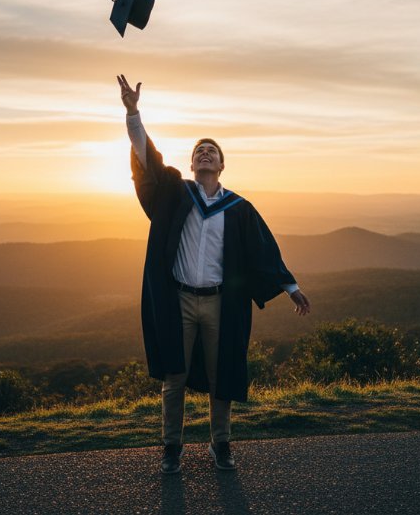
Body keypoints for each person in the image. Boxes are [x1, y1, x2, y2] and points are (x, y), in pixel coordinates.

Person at [117, 74, 311, 474]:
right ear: (192, 163)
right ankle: (172, 447)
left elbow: (263, 250)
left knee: (222, 375)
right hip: (181, 301)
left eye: (212, 151)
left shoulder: (238, 208)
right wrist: (133, 113)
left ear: (222, 164)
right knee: (175, 375)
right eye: (199, 151)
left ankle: (220, 444)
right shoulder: (176, 193)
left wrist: (290, 286)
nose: (205, 154)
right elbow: (148, 159)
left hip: (221, 303)